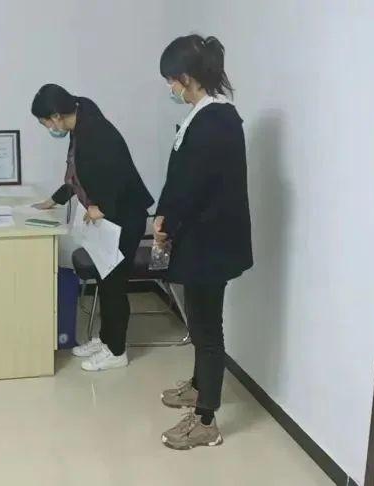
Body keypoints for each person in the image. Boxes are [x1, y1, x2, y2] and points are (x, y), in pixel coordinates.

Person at [153, 34, 253, 449]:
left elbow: (193, 188)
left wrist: (167, 224)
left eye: (171, 79)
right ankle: (198, 387)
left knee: (208, 330)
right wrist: (164, 216)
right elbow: (180, 178)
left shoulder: (215, 121)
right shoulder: (204, 116)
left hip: (210, 244)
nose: (169, 87)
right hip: (199, 239)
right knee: (199, 323)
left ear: (188, 77)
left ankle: (206, 420)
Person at [31, 84, 154, 372]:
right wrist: (53, 200)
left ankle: (117, 351)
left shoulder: (97, 133)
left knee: (114, 286)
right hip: (108, 220)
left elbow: (119, 175)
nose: (48, 128)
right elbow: (77, 175)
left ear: (56, 116)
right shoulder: (81, 122)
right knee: (104, 281)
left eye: (45, 122)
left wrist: (103, 207)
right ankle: (106, 338)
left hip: (124, 219)